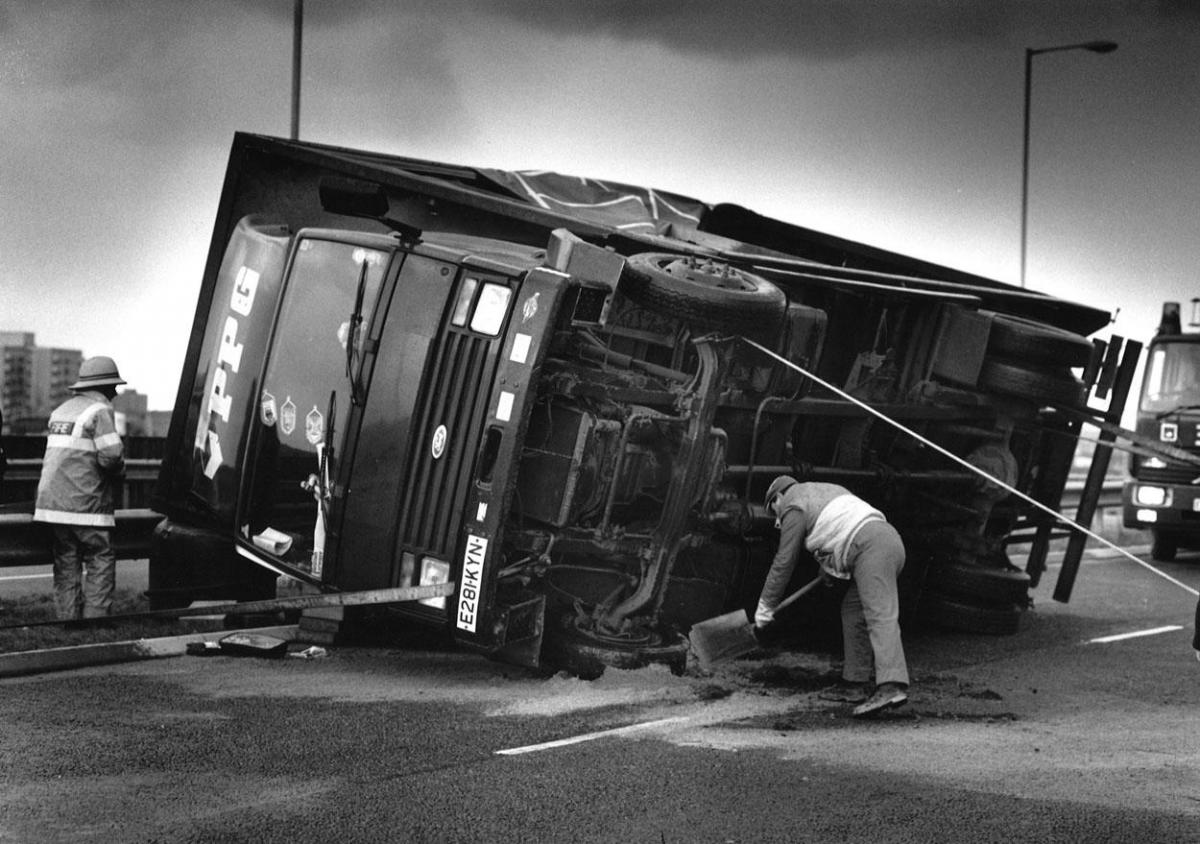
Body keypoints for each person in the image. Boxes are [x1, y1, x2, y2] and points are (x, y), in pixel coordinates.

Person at [755, 475, 910, 718]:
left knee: (879, 614)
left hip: (871, 548)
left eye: (773, 508)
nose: (777, 518)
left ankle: (891, 685)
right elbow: (837, 528)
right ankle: (855, 683)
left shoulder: (792, 505)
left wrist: (765, 606)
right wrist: (827, 569)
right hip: (882, 542)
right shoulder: (824, 490)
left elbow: (784, 561)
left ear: (779, 496)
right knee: (853, 611)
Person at [33, 356, 127, 621]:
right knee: (100, 555)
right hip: (86, 504)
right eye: (114, 387)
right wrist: (120, 471)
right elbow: (111, 456)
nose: (116, 392)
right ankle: (96, 619)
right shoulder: (100, 410)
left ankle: (68, 619)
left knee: (66, 559)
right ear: (106, 387)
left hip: (52, 504)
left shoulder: (61, 411)